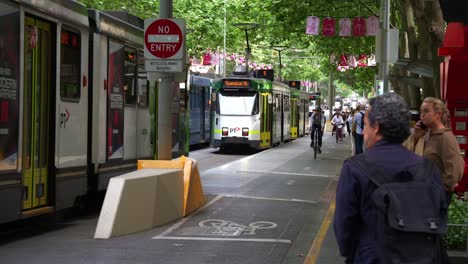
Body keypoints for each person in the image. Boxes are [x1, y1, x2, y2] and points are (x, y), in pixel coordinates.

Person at [334, 93, 446, 263]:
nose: (364, 132)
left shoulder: (355, 168)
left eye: (365, 126)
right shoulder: (427, 168)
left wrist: (354, 254)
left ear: (376, 127)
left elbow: (344, 227)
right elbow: (440, 215)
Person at [403, 97, 464, 200]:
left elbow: (455, 170)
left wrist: (439, 188)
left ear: (438, 115)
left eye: (426, 111)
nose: (422, 114)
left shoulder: (445, 137)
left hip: (436, 195)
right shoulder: (427, 134)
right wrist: (417, 137)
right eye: (421, 111)